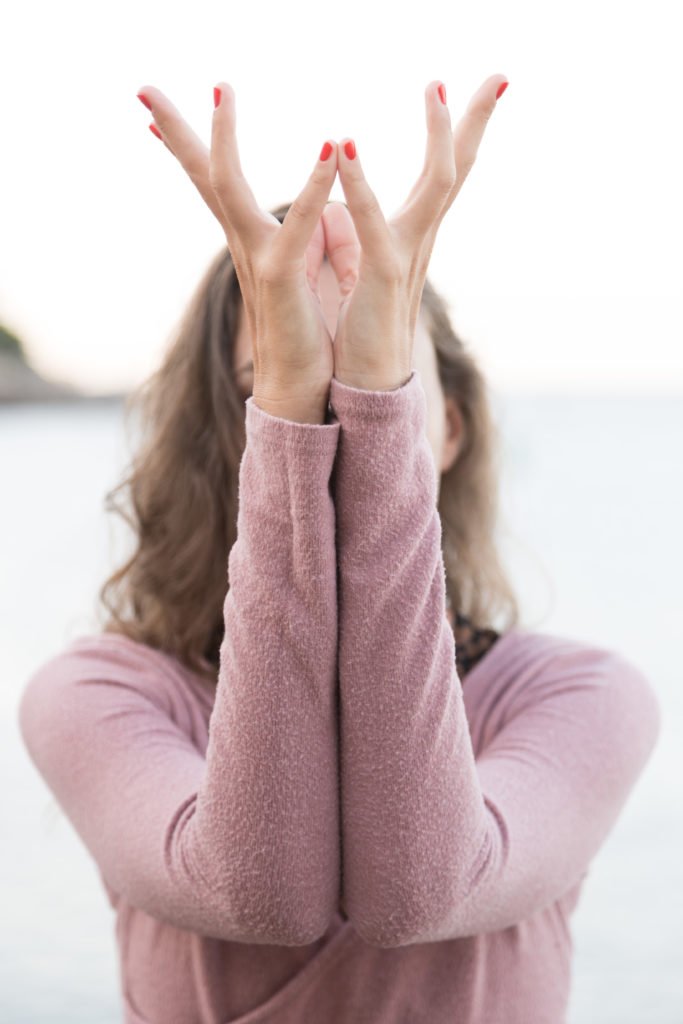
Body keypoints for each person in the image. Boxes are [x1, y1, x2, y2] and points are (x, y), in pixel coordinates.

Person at [19, 76, 660, 1023]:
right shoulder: (100, 694)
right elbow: (263, 894)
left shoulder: (578, 698)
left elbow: (420, 894)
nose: (332, 422)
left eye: (381, 387)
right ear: (231, 437)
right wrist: (297, 408)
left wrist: (369, 408)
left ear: (444, 429)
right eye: (275, 391)